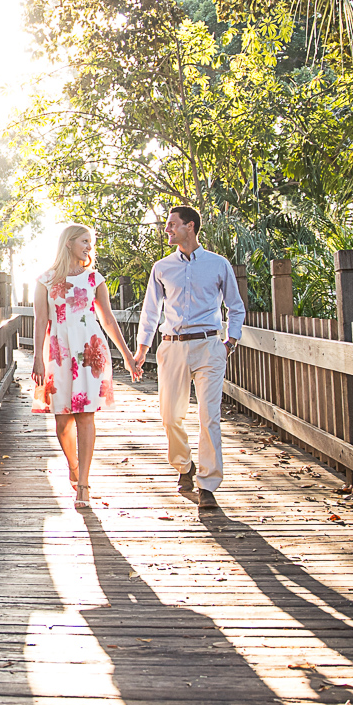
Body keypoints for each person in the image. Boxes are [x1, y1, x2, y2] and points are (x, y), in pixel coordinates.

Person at [134, 206, 243, 511]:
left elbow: (236, 306)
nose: (166, 229)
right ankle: (184, 465)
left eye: (171, 225)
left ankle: (208, 484)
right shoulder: (162, 267)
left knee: (209, 416)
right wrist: (142, 350)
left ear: (189, 227)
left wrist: (230, 340)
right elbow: (151, 312)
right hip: (172, 346)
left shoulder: (218, 265)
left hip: (209, 346)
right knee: (170, 416)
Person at [30, 224, 140, 506]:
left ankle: (84, 484)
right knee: (62, 422)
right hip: (59, 353)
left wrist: (127, 356)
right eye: (84, 241)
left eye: (90, 241)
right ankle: (74, 467)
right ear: (68, 243)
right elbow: (41, 321)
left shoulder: (94, 278)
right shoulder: (44, 280)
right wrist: (37, 359)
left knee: (86, 416)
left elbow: (108, 320)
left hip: (91, 352)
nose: (89, 246)